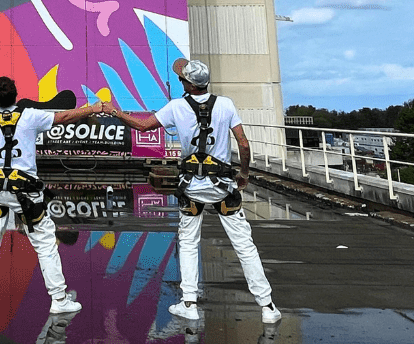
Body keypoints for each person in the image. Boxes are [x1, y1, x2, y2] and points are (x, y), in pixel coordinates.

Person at [104, 59, 282, 324]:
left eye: (181, 79)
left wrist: (115, 112)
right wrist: (243, 175)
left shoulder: (176, 107)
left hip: (192, 188)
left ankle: (189, 303)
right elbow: (243, 144)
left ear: (187, 83)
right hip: (223, 187)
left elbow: (142, 126)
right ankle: (267, 307)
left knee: (188, 243)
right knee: (244, 246)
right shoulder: (226, 104)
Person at [0, 76, 103, 316]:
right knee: (45, 245)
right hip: (26, 193)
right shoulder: (30, 115)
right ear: (16, 94)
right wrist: (92, 108)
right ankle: (59, 299)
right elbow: (62, 117)